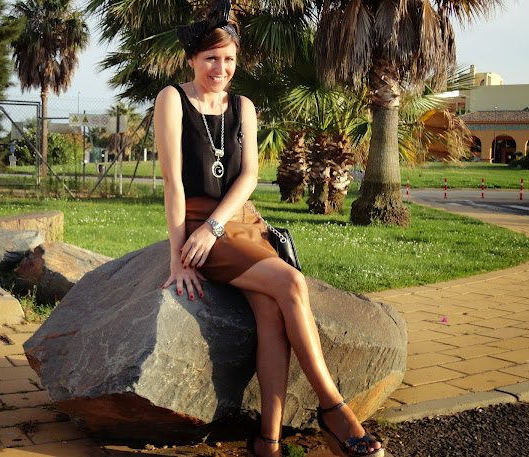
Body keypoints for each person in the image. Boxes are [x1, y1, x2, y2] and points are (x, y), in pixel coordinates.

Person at [153, 2, 384, 456]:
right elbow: (173, 183)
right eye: (211, 58)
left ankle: (268, 441)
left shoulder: (243, 106)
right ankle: (333, 408)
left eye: (229, 59)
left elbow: (250, 176)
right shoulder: (172, 100)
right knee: (292, 283)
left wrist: (219, 224)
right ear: (192, 59)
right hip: (202, 224)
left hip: (240, 221)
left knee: (273, 316)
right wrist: (180, 256)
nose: (221, 69)